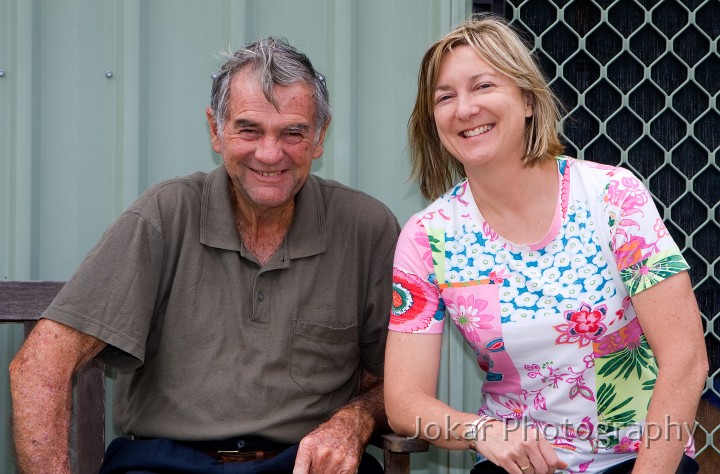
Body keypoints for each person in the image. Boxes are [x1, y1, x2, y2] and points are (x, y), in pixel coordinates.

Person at [10, 37, 400, 474]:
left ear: (319, 138)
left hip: (302, 465)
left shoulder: (366, 227)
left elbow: (398, 383)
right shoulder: (164, 214)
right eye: (249, 129)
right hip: (163, 463)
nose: (270, 154)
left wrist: (354, 420)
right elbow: (40, 365)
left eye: (293, 132)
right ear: (216, 129)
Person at [384, 15, 708, 474]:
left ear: (528, 100)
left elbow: (686, 359)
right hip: (518, 467)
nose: (464, 108)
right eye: (445, 97)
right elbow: (403, 403)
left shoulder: (614, 198)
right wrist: (480, 431)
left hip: (639, 458)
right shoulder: (427, 237)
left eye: (482, 86)